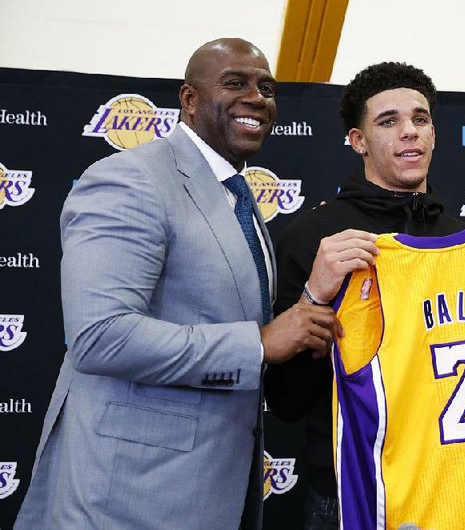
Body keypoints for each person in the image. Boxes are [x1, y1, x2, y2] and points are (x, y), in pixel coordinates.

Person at [14, 38, 340, 530]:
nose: (257, 98)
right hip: (125, 497)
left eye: (267, 88)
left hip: (209, 490)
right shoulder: (131, 179)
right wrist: (258, 343)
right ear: (189, 99)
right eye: (235, 83)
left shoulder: (237, 193)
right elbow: (101, 337)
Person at [265, 62, 465, 529]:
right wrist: (315, 296)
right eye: (388, 121)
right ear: (358, 141)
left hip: (462, 487)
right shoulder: (315, 236)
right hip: (352, 488)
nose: (409, 133)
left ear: (434, 133)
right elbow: (286, 400)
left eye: (419, 119)